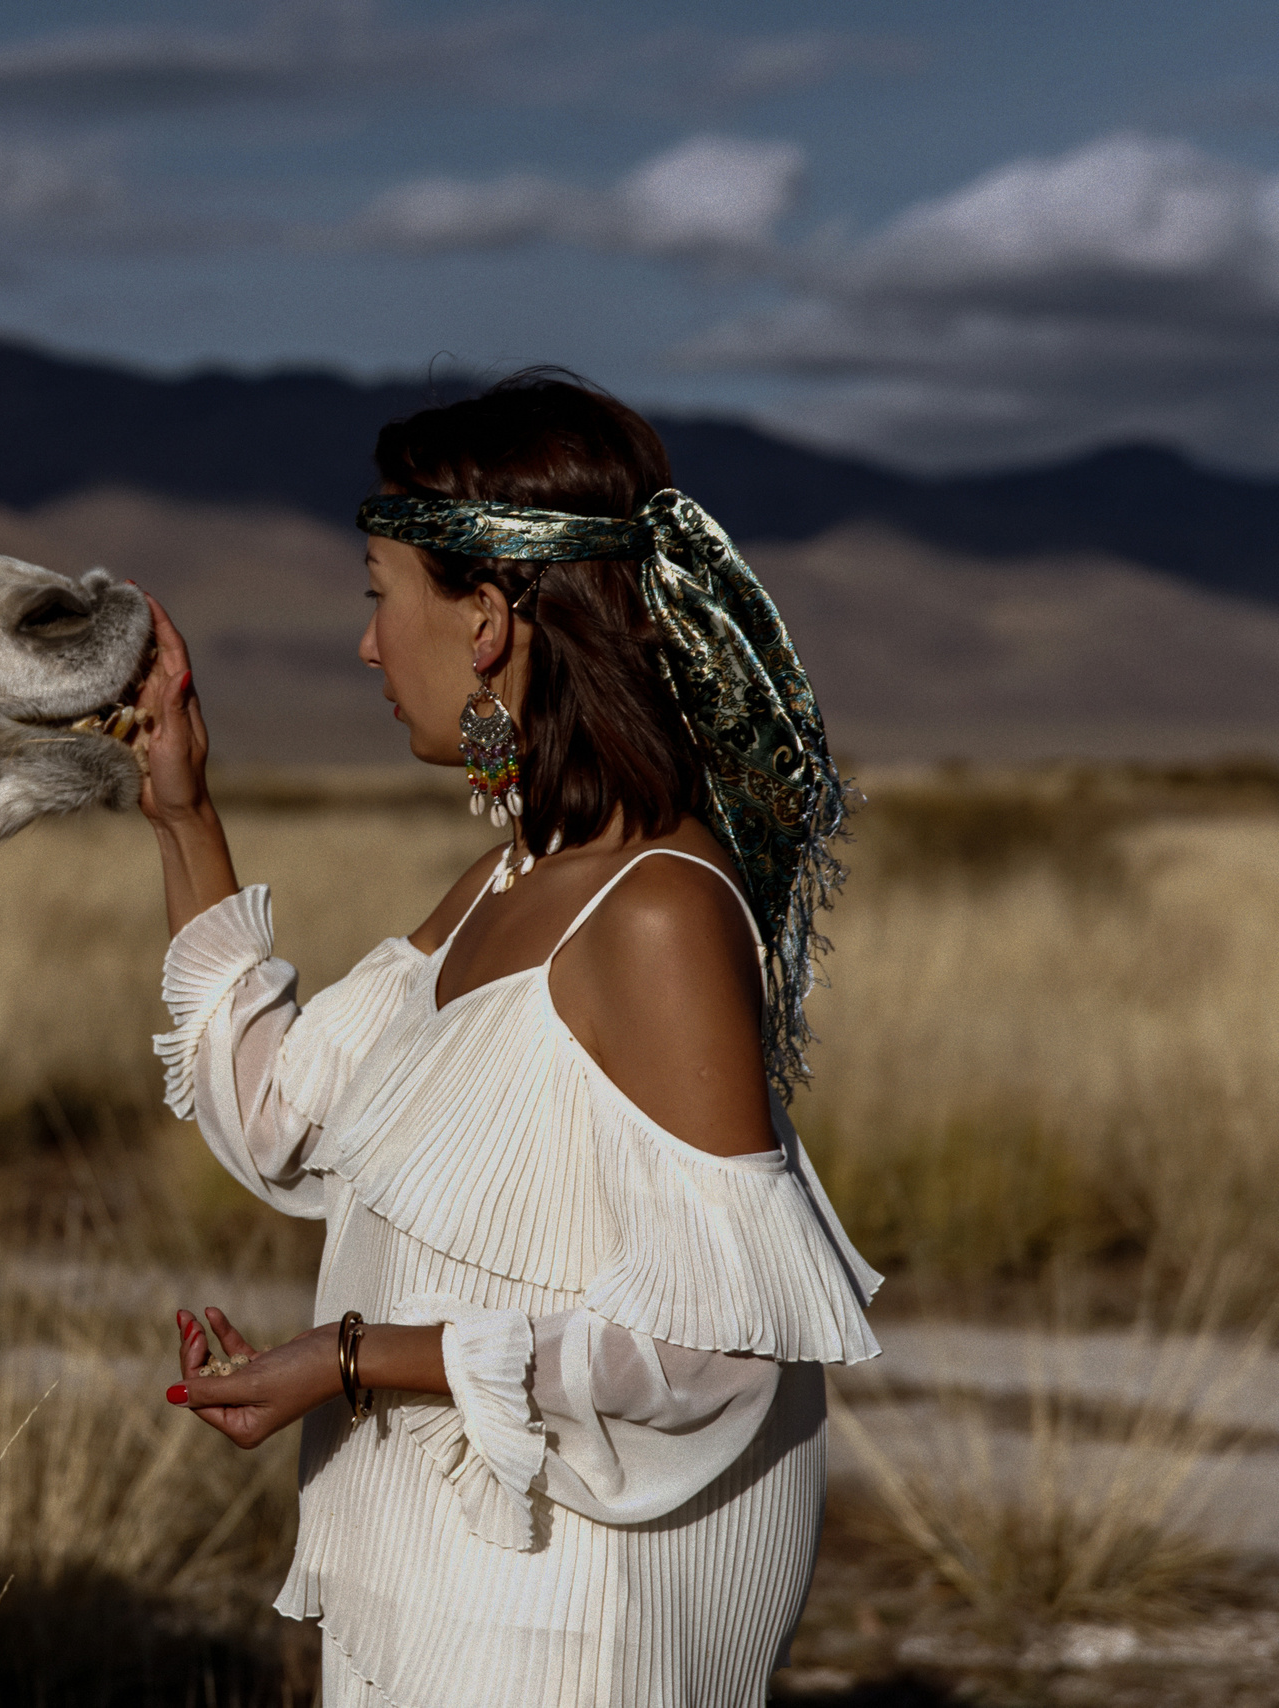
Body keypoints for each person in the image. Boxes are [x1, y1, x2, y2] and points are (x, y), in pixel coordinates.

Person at [134, 372, 881, 1707]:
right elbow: (281, 1122)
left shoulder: (654, 909)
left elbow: (723, 1353)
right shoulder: (509, 875)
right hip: (453, 1595)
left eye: (377, 592)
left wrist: (356, 1359)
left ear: (484, 619)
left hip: (565, 1622)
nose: (366, 647)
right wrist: (185, 815)